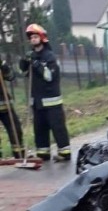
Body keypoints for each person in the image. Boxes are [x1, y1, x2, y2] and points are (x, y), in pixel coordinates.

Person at [18, 23, 71, 162]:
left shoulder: (50, 57)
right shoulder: (32, 56)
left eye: (35, 36)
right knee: (39, 130)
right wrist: (23, 63)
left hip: (52, 102)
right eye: (31, 37)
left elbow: (49, 76)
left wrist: (36, 65)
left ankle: (64, 153)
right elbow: (24, 73)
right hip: (37, 102)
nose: (33, 39)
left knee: (57, 128)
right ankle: (43, 154)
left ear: (42, 38)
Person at [0, 57, 25, 159]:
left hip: (4, 104)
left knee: (15, 129)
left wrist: (3, 66)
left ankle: (19, 156)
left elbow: (11, 77)